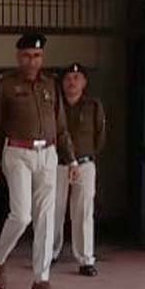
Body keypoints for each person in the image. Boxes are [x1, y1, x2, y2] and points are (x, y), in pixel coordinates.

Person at [0, 33, 78, 289]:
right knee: (22, 215)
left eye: (36, 56)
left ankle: (41, 280)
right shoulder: (5, 84)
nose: (32, 61)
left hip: (48, 154)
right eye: (26, 56)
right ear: (18, 57)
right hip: (17, 152)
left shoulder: (51, 84)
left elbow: (61, 126)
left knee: (46, 218)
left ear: (42, 58)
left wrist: (71, 159)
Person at [54, 62, 107, 277]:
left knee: (83, 211)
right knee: (53, 210)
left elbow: (100, 136)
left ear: (84, 82)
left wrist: (83, 157)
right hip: (58, 163)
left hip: (84, 164)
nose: (72, 82)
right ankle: (49, 253)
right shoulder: (55, 105)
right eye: (68, 78)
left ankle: (86, 259)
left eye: (76, 78)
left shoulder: (93, 105)